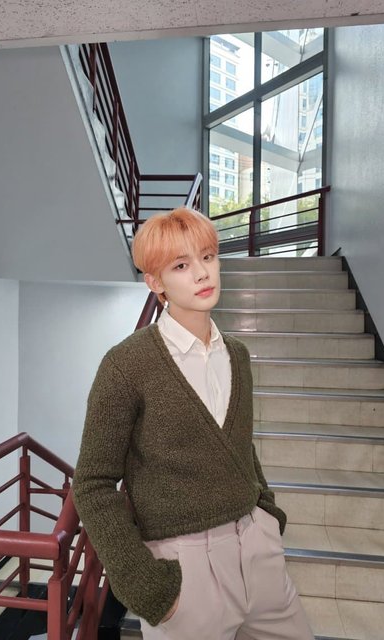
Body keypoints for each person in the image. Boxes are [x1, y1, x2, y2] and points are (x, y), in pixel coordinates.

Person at [72, 207, 314, 640]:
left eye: (208, 257)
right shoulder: (126, 364)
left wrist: (268, 515)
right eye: (181, 266)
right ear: (156, 283)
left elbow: (240, 446)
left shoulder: (237, 354)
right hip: (184, 571)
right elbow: (92, 483)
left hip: (258, 553)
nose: (203, 273)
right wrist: (145, 584)